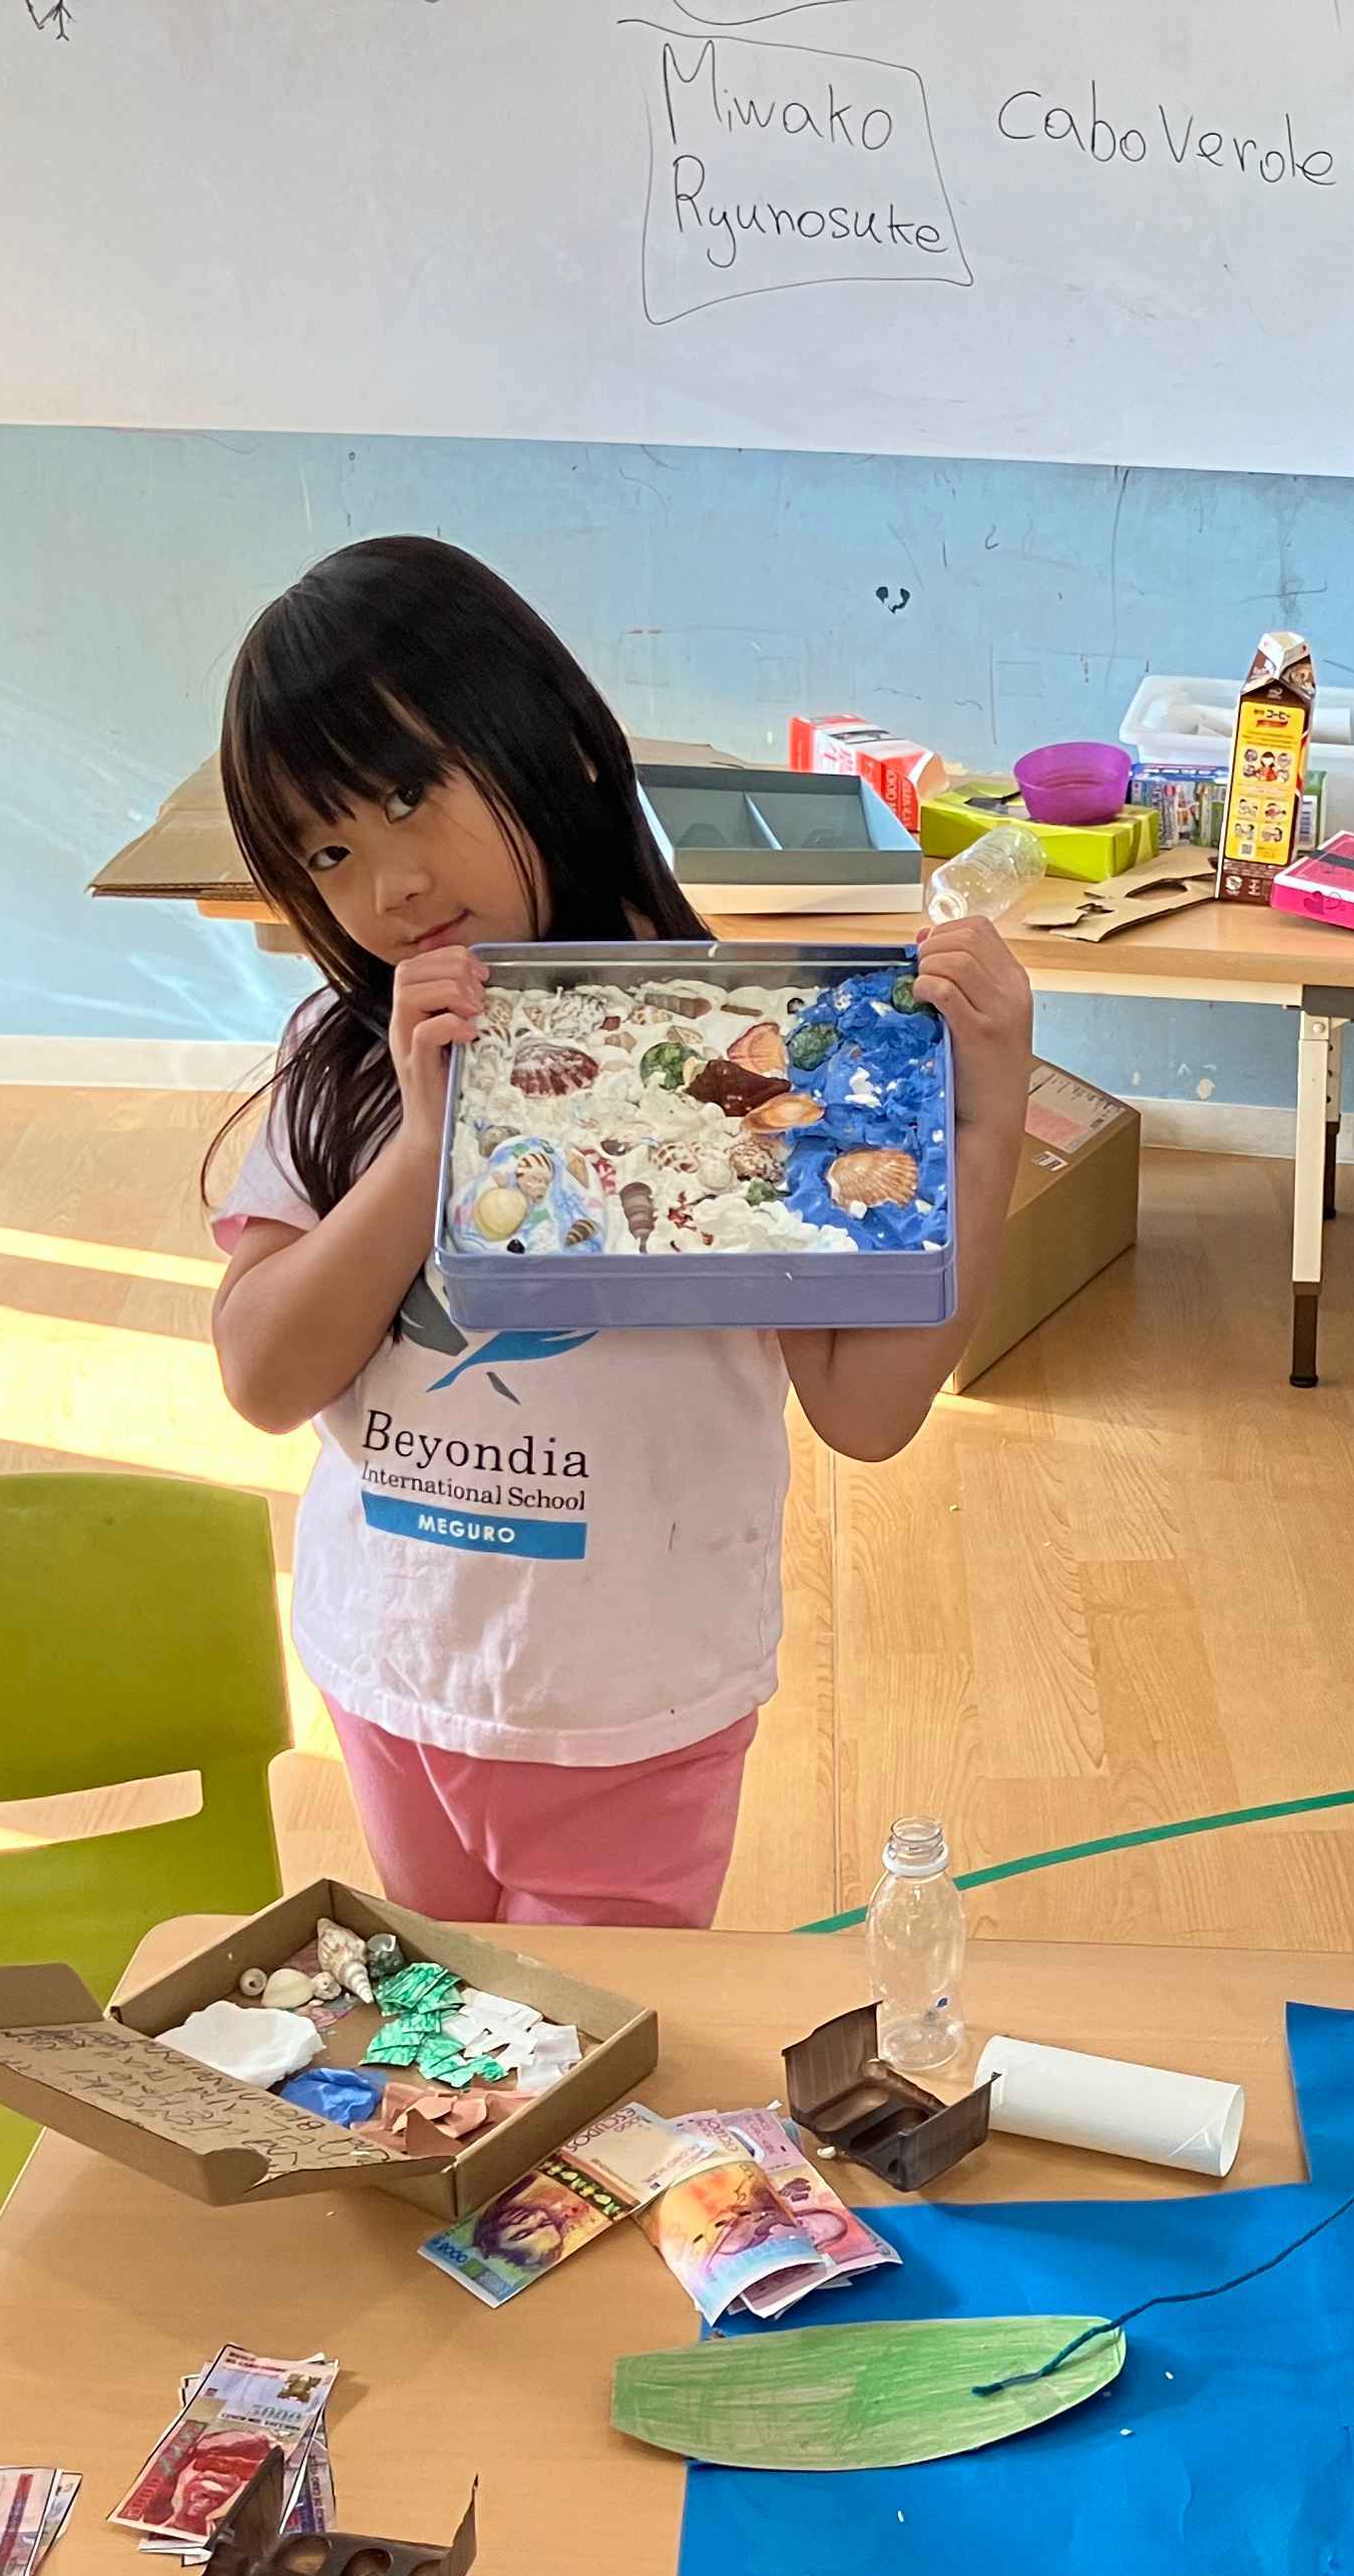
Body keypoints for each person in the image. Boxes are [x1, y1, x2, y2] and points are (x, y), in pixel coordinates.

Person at [204, 536, 1032, 1924]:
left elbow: (868, 1410)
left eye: (408, 794)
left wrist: (986, 1123)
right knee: (458, 2031)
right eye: (330, 851)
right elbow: (264, 1375)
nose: (389, 883)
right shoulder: (345, 1053)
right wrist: (427, 1144)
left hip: (628, 1717)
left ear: (559, 747)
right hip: (392, 1673)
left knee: (589, 2044)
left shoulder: (732, 1045)